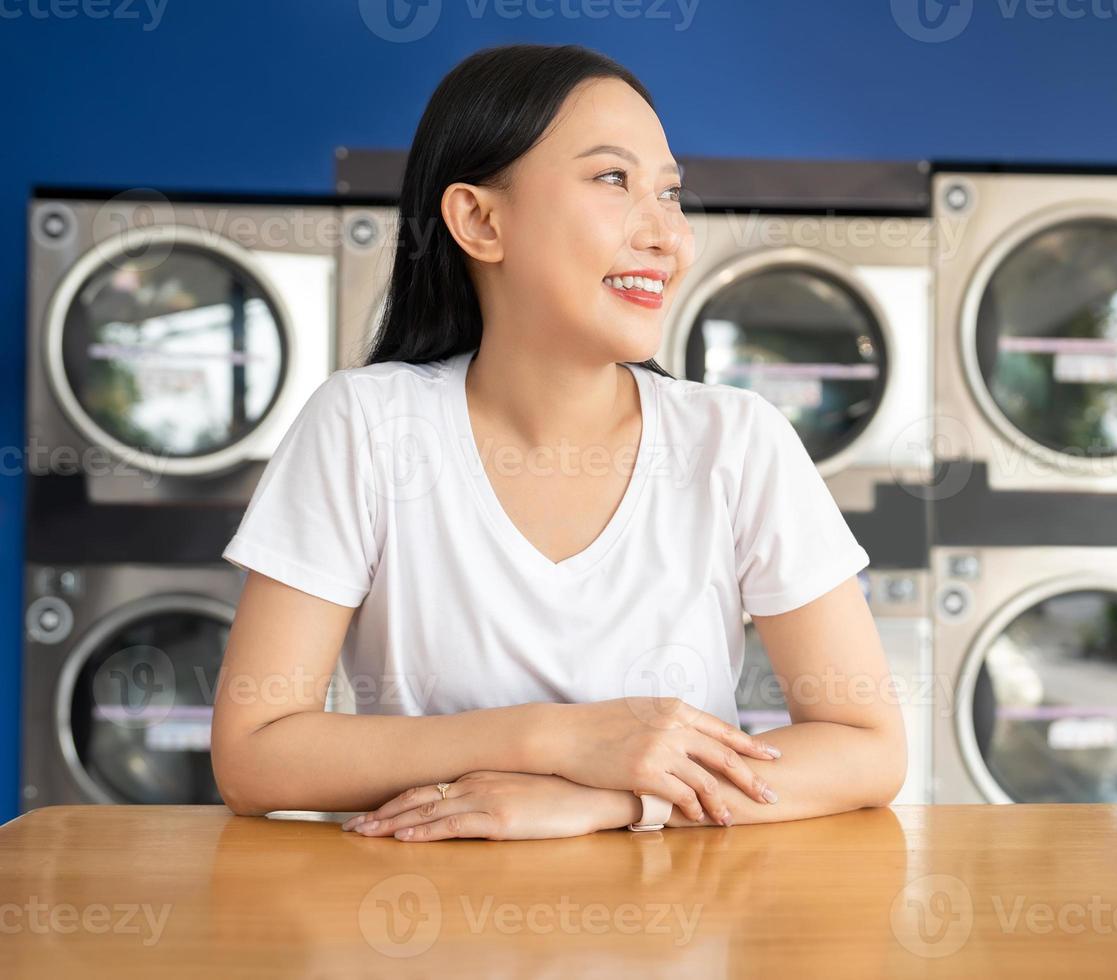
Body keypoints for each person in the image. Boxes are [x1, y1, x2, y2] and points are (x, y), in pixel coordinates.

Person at [210, 43, 906, 841]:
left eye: (671, 193)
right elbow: (254, 755)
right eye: (614, 180)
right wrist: (558, 738)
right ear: (480, 219)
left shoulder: (737, 442)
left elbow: (867, 747)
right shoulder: (365, 427)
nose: (666, 234)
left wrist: (608, 801)